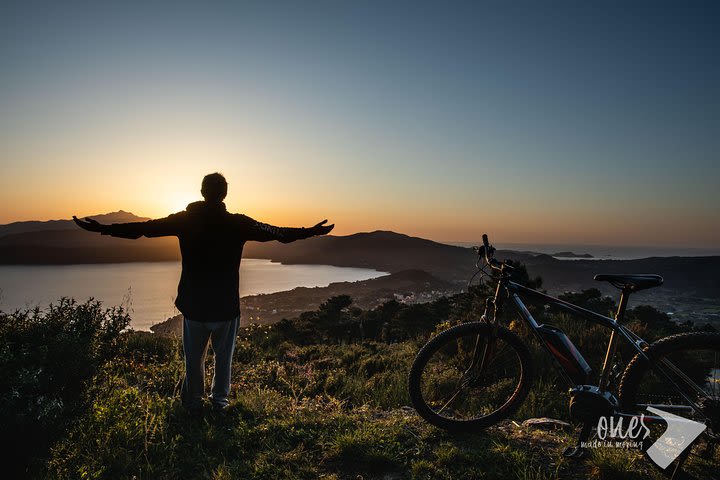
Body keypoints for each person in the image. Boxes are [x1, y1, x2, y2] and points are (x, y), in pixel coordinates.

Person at [74, 172, 334, 413]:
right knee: (224, 359)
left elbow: (143, 229)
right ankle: (219, 403)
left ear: (201, 191)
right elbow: (278, 233)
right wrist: (310, 232)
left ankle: (193, 403)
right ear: (225, 194)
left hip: (194, 305)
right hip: (225, 306)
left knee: (193, 359)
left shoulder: (185, 221)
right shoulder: (238, 223)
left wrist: (103, 228)